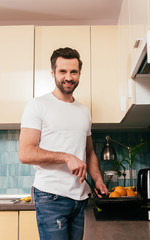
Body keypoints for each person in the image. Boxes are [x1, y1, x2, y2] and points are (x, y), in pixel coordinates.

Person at [19, 47, 108, 240]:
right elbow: (26, 153)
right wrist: (66, 157)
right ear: (53, 73)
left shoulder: (84, 111)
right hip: (51, 197)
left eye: (73, 72)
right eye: (63, 71)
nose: (68, 77)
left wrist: (98, 179)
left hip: (80, 197)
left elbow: (90, 151)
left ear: (79, 74)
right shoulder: (38, 105)